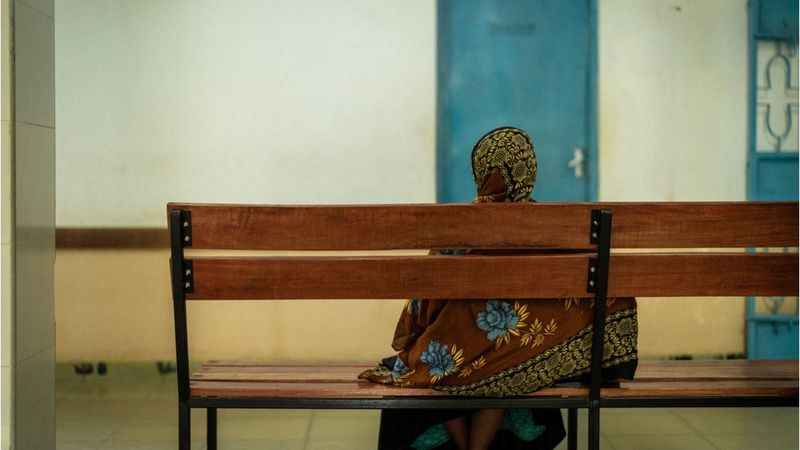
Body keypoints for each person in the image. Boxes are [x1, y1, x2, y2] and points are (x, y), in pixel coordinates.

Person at [360, 127, 638, 450]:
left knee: (428, 359)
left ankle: (468, 447)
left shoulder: (457, 233)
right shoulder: (558, 232)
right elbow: (602, 300)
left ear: (481, 173)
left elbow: (418, 313)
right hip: (518, 366)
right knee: (508, 360)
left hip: (455, 369)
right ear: (528, 172)